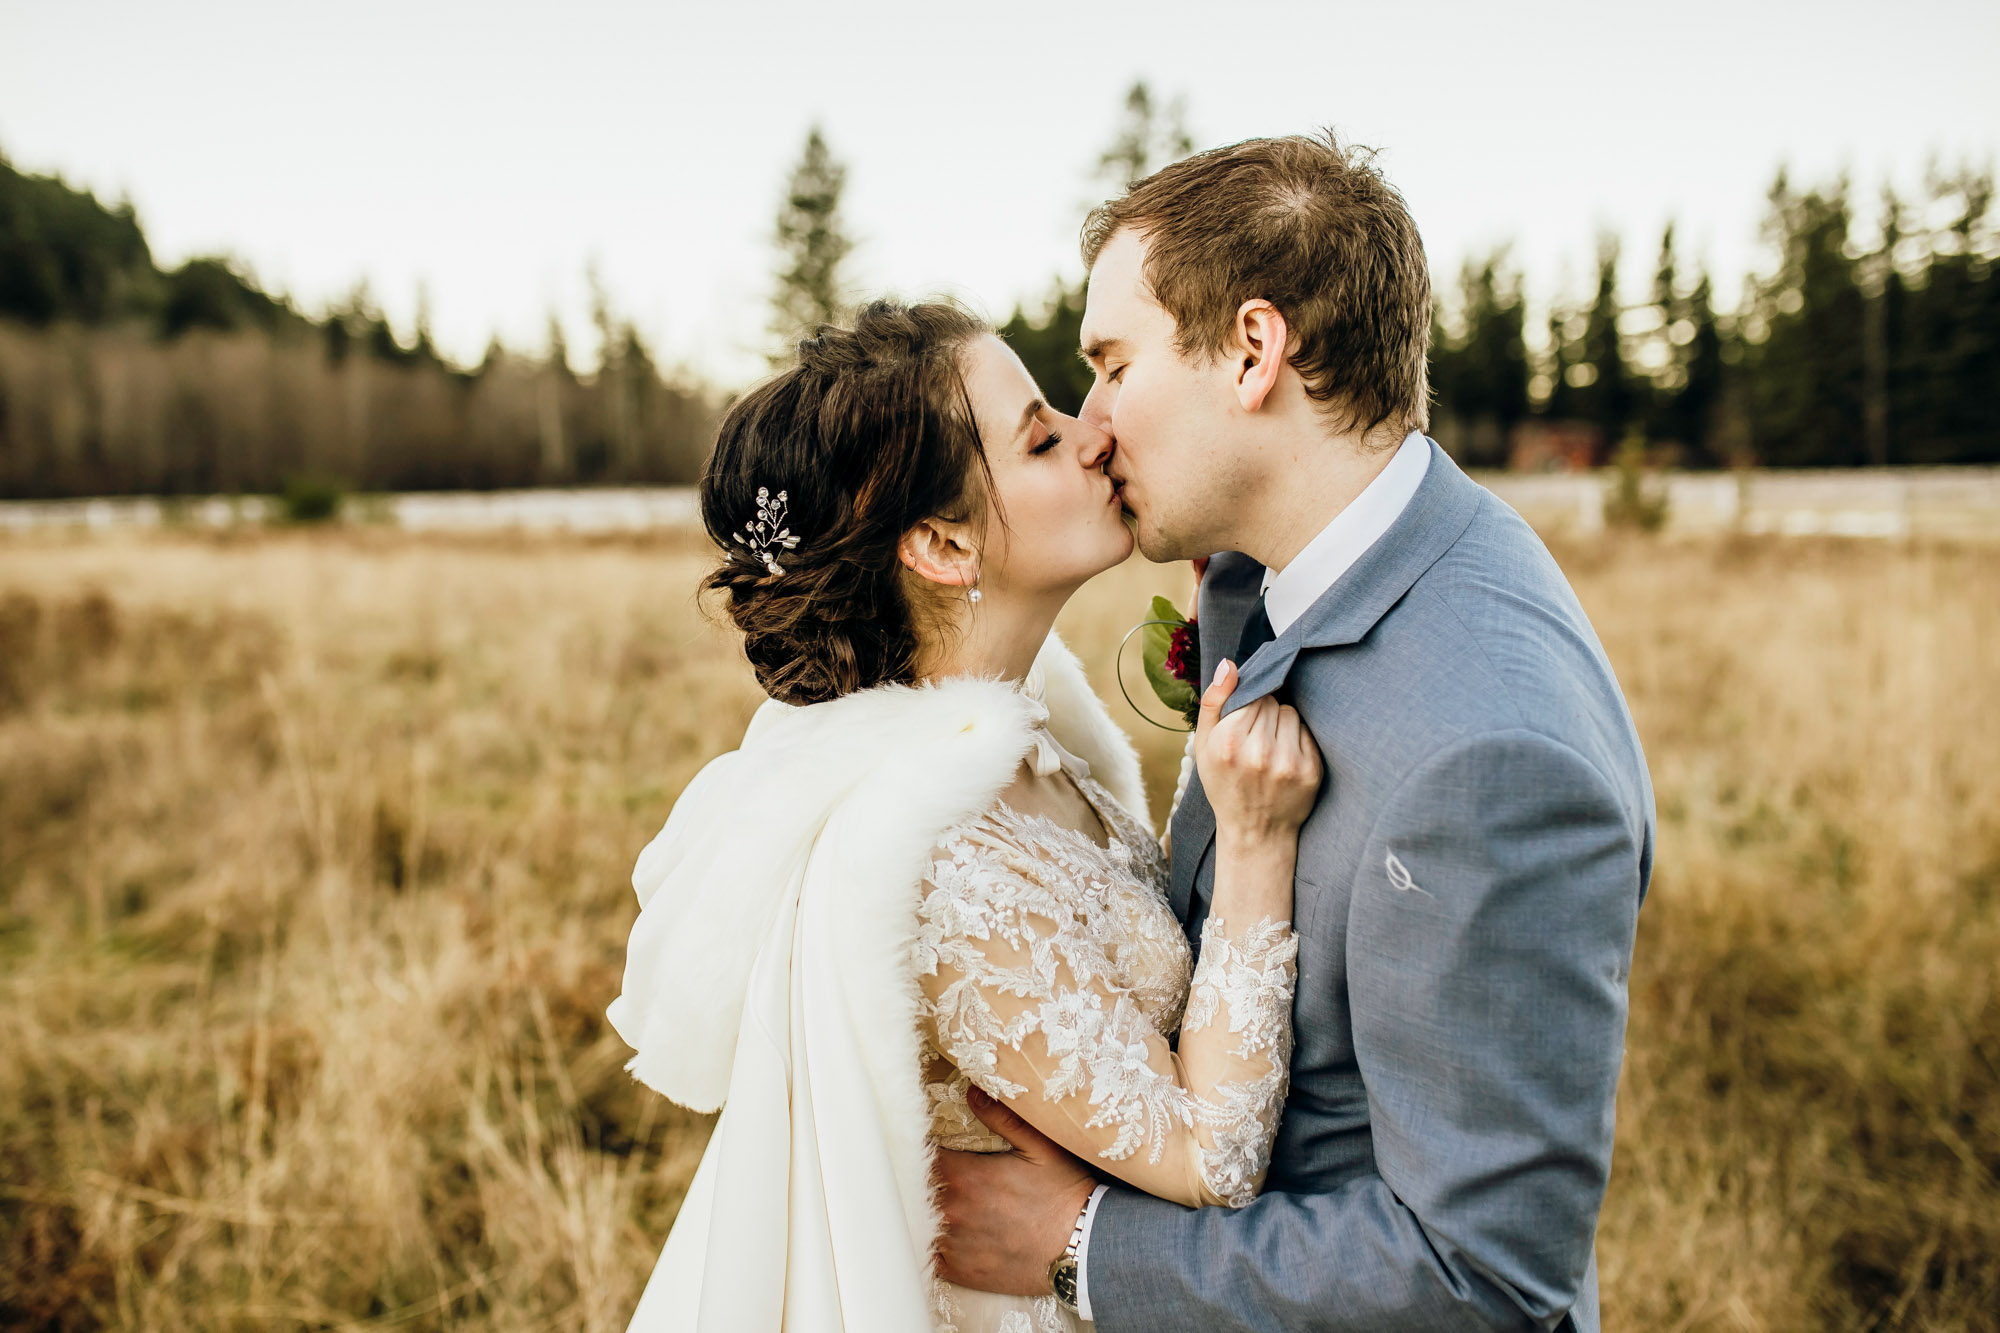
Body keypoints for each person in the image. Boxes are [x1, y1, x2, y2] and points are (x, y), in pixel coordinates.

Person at [931, 133, 1655, 1331]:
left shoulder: (1490, 763)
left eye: (1112, 364)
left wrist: (1080, 1246)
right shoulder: (1301, 567)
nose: (1093, 425)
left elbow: (1481, 1280)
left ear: (1253, 351)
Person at [608, 299, 1323, 1332]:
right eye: (1040, 437)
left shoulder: (1016, 748)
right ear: (943, 545)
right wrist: (1255, 846)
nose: (1095, 433)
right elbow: (1207, 1155)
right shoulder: (945, 867)